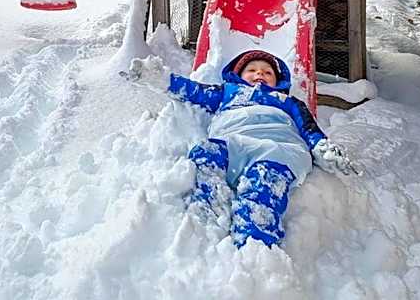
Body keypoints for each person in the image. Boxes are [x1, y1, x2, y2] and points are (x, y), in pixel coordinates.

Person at [138, 50, 355, 249]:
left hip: (277, 147)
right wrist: (163, 80)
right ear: (238, 75)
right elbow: (195, 92)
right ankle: (208, 206)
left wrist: (321, 146)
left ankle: (255, 240)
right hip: (233, 141)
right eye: (251, 70)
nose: (259, 73)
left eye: (267, 72)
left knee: (264, 182)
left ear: (278, 81)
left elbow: (308, 127)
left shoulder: (288, 101)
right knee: (205, 153)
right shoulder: (227, 92)